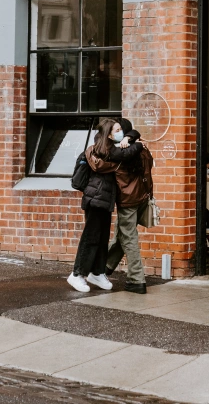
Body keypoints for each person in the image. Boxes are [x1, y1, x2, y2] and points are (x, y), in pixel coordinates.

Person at [67, 119, 143, 293]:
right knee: (91, 237)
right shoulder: (103, 150)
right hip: (96, 199)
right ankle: (77, 274)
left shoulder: (108, 145)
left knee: (101, 238)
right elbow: (124, 155)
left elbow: (133, 132)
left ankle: (97, 272)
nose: (120, 132)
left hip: (105, 200)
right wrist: (137, 145)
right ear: (109, 134)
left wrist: (130, 137)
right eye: (117, 130)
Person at [105, 117, 152, 295]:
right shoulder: (143, 149)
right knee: (122, 234)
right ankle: (105, 266)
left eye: (118, 130)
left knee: (129, 237)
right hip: (142, 197)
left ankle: (136, 279)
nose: (115, 134)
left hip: (127, 200)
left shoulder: (123, 153)